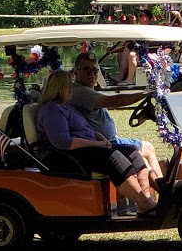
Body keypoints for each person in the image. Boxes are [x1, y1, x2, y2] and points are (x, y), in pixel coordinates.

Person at [36, 70, 158, 212]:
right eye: (70, 86)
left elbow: (87, 129)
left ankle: (147, 200)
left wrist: (100, 138)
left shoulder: (66, 106)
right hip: (62, 155)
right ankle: (143, 202)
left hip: (84, 149)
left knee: (132, 151)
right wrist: (97, 144)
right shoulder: (52, 110)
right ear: (62, 88)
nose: (72, 90)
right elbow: (62, 142)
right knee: (114, 158)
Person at [69, 52, 163, 180]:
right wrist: (147, 94)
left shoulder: (87, 90)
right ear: (76, 72)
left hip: (108, 140)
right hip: (102, 144)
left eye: (94, 69)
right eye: (86, 69)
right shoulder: (81, 92)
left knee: (144, 154)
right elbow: (116, 101)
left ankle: (160, 188)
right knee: (147, 149)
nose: (91, 73)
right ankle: (162, 190)